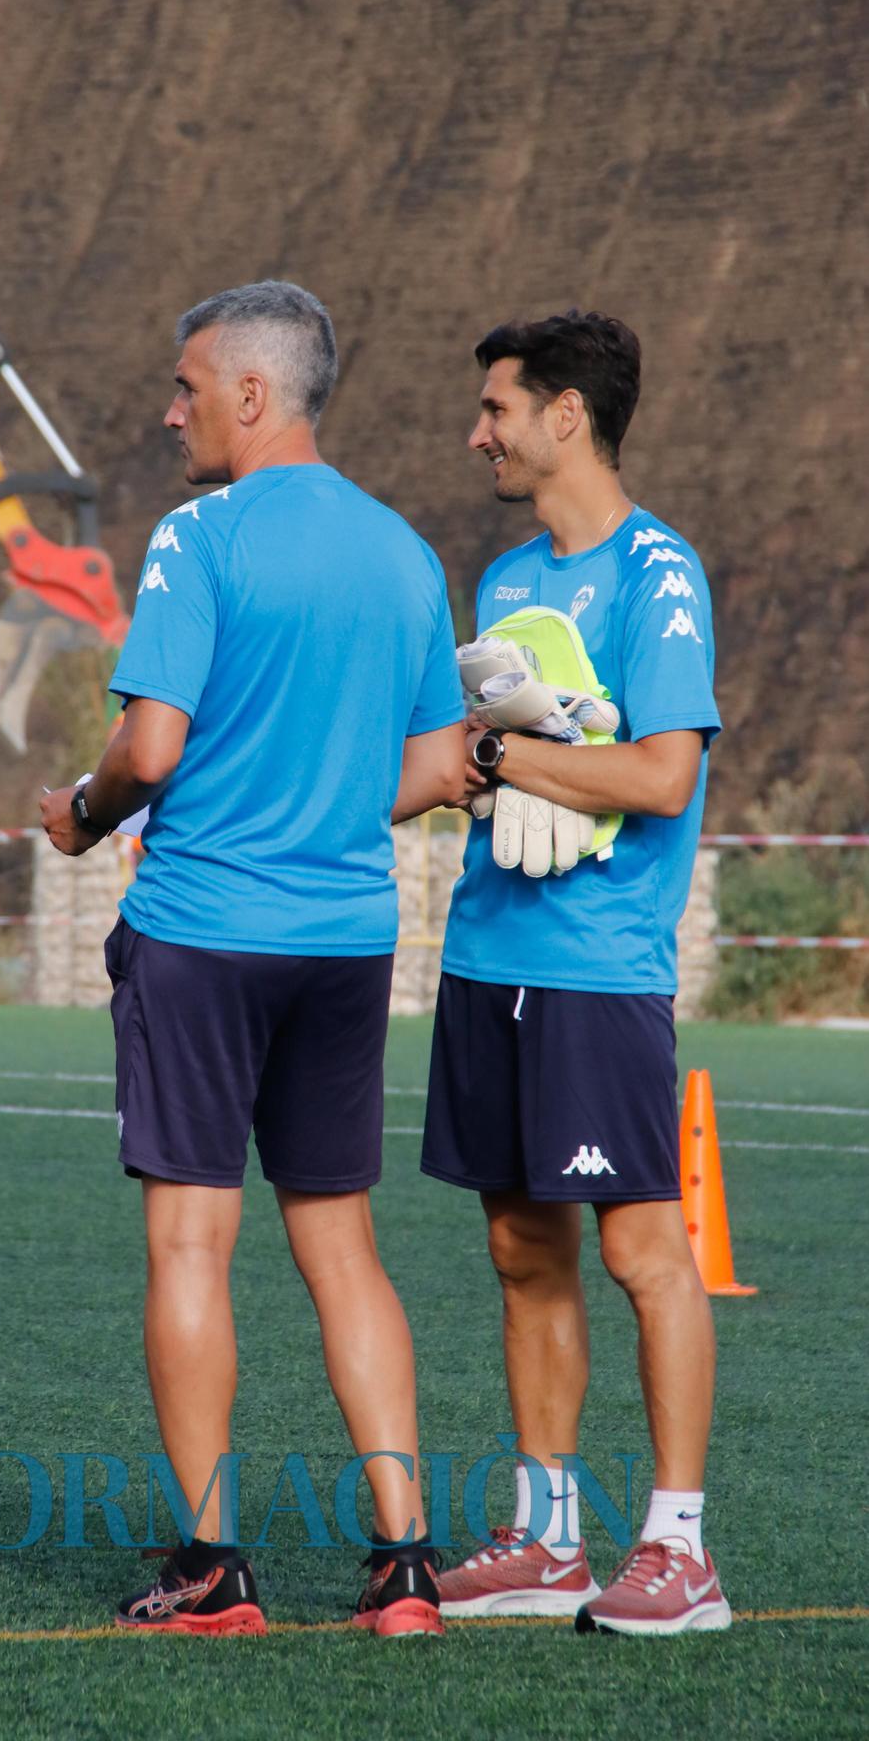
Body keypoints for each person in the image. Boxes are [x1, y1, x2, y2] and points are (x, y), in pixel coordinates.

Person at [41, 280, 465, 1637]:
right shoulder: (405, 552)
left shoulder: (197, 536)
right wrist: (320, 806)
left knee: (188, 1241)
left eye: (184, 387)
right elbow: (429, 768)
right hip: (344, 940)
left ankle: (214, 1568)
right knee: (342, 1248)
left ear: (248, 394)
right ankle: (406, 1567)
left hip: (203, 934)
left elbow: (149, 750)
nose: (169, 413)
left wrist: (82, 814)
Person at [424, 310, 728, 1635]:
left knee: (645, 1252)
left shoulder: (662, 573)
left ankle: (680, 1551)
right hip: (489, 950)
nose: (477, 431)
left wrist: (511, 764)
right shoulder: (500, 584)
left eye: (496, 407)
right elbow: (485, 764)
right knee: (516, 1249)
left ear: (565, 417)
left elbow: (662, 776)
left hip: (600, 969)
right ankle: (545, 1542)